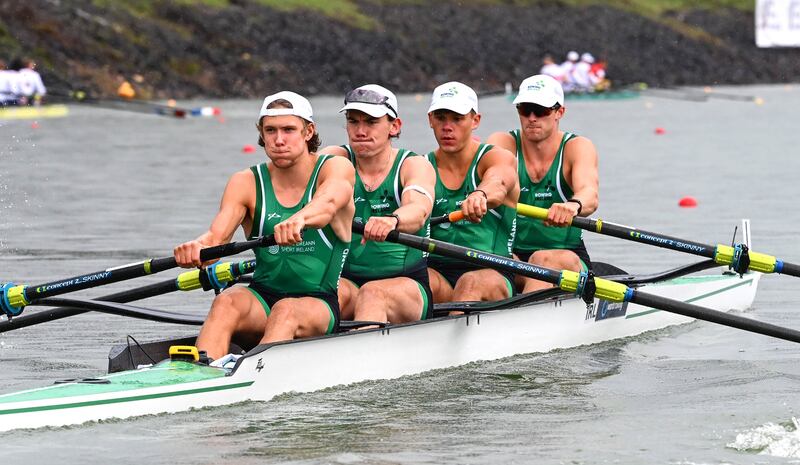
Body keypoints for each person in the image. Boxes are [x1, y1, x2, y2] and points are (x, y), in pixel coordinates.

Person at [174, 91, 355, 361]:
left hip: (318, 303)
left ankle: (253, 375)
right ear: (261, 133)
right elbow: (217, 237)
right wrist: (198, 248)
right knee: (227, 301)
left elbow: (328, 203)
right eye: (270, 130)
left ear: (309, 131)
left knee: (286, 309)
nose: (279, 140)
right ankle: (197, 376)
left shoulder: (335, 167)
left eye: (288, 130)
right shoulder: (245, 181)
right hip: (262, 298)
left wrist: (300, 219)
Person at [320, 84, 436, 325]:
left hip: (406, 284)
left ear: (395, 126)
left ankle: (359, 355)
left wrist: (394, 220)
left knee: (372, 292)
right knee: (319, 294)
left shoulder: (412, 165)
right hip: (348, 281)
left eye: (371, 122)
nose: (360, 131)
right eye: (353, 122)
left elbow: (418, 209)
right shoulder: (334, 159)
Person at [487, 75, 599, 294]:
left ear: (560, 112)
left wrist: (573, 205)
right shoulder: (502, 143)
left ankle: (522, 320)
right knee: (485, 264)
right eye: (525, 109)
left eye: (540, 111)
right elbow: (493, 180)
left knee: (542, 258)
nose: (531, 118)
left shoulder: (577, 147)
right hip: (514, 256)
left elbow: (589, 193)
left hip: (565, 255)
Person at [425, 82, 519, 305]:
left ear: (475, 120)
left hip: (493, 271)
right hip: (437, 272)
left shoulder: (496, 157)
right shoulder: (420, 166)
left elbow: (499, 181)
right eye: (440, 118)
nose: (447, 127)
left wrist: (481, 195)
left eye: (457, 119)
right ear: (430, 120)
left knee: (470, 283)